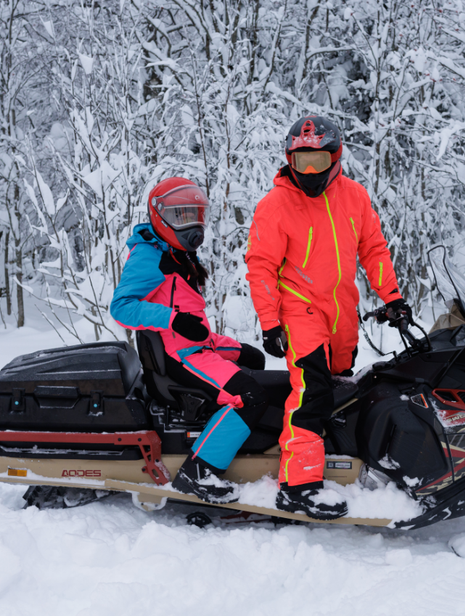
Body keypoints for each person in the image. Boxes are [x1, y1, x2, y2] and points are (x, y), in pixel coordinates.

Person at [245, 115, 412, 520]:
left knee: (341, 389)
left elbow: (373, 249)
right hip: (300, 309)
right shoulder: (276, 205)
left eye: (318, 162)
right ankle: (297, 485)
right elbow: (261, 266)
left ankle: (335, 461)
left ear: (335, 158)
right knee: (311, 392)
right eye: (301, 163)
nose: (309, 172)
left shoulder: (354, 196)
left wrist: (391, 296)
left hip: (342, 312)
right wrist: (269, 322)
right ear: (289, 161)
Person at [110, 177, 268, 504]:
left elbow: (191, 322)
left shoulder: (177, 255)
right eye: (181, 215)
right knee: (249, 394)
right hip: (178, 358)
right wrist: (172, 318)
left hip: (197, 347)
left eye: (196, 214)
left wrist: (221, 341)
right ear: (161, 217)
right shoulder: (149, 256)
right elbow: (121, 307)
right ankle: (198, 471)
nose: (192, 224)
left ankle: (239, 443)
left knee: (253, 359)